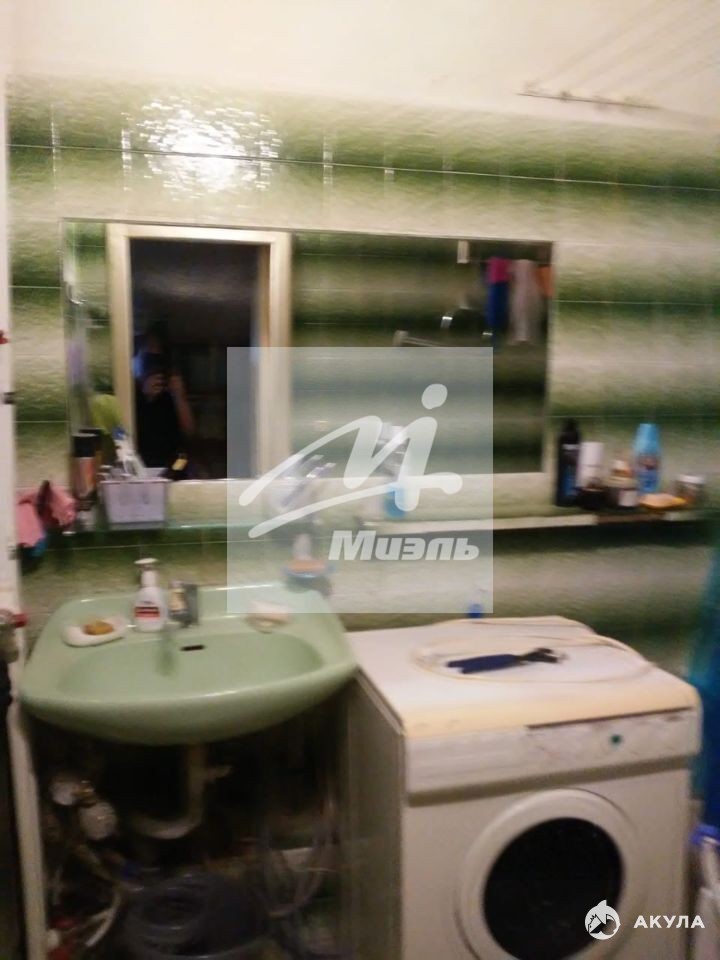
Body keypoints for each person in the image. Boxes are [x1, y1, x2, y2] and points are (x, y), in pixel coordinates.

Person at [134, 332, 194, 470]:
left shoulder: (172, 389)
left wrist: (179, 397)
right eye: (150, 359)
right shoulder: (132, 391)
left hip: (175, 464)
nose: (155, 366)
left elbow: (190, 431)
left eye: (159, 359)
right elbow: (127, 435)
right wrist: (145, 396)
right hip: (143, 466)